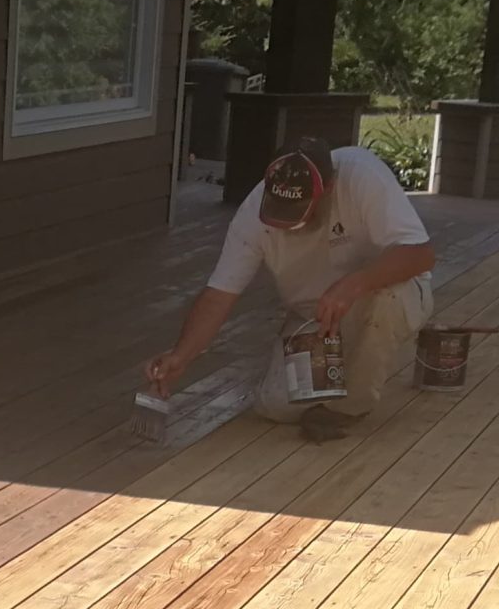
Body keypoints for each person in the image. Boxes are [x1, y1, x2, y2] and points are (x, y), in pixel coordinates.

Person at [145, 137, 436, 444]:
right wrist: (181, 356)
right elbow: (219, 295)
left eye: (301, 210)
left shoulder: (364, 176)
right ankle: (347, 367)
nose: (289, 223)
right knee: (276, 407)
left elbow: (421, 254)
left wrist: (354, 284)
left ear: (329, 187)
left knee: (385, 303)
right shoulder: (251, 213)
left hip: (384, 293)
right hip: (316, 318)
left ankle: (348, 407)